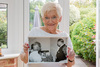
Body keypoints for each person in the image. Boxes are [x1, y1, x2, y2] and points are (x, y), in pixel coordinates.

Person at [20, 2, 75, 67]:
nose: (50, 21)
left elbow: (69, 64)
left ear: (60, 18)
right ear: (43, 19)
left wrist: (71, 59)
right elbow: (24, 60)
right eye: (46, 18)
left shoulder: (65, 36)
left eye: (54, 17)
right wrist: (26, 53)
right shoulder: (34, 32)